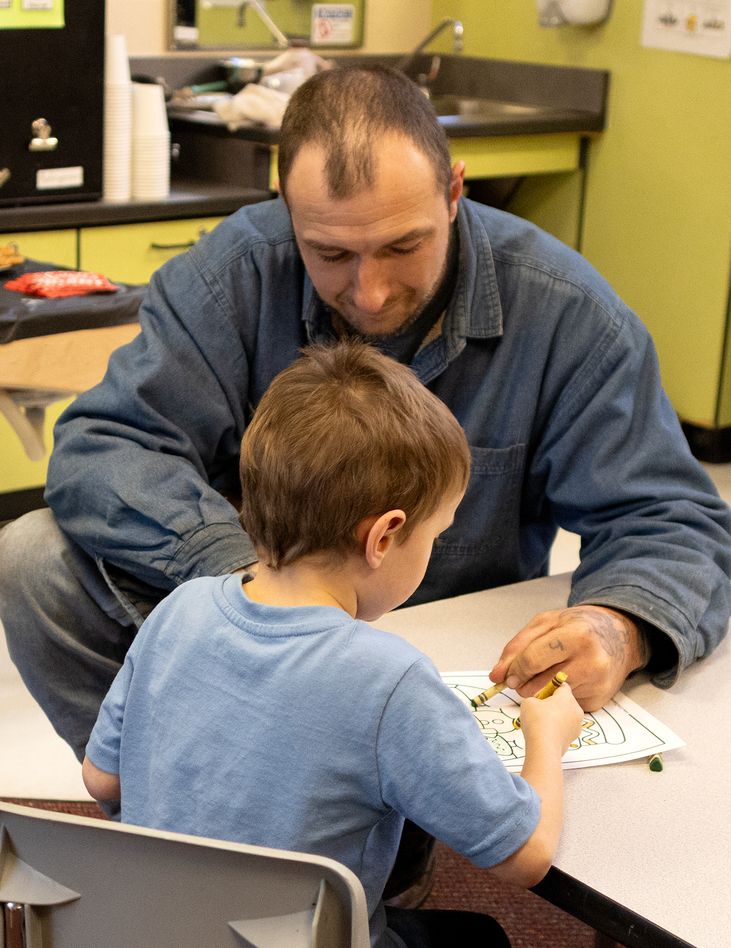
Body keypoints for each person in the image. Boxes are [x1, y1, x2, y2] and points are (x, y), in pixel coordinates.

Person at [0, 63, 730, 894]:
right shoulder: (231, 275)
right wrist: (257, 584)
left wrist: (617, 626)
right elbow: (108, 444)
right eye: (330, 254)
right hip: (252, 604)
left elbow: (670, 515)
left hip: (439, 642)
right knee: (31, 559)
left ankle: (378, 845)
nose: (371, 291)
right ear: (284, 204)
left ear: (455, 189)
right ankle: (174, 835)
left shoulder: (566, 313)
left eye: (401, 246)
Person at [82, 342, 585, 948]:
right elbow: (523, 857)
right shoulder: (391, 680)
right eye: (434, 535)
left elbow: (101, 782)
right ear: (384, 536)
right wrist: (545, 739)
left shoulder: (181, 609)